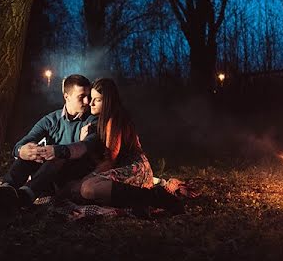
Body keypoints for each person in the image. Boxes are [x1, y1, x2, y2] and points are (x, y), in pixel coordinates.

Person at [43, 77, 184, 215]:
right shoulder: (99, 121)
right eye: (91, 98)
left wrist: (83, 180)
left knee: (87, 188)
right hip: (118, 168)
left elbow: (111, 160)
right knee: (78, 190)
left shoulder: (114, 120)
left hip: (134, 168)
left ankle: (156, 197)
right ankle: (135, 200)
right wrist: (84, 140)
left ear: (108, 102)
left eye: (97, 100)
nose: (90, 103)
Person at [0, 74, 97, 213]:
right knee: (30, 153)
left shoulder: (91, 121)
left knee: (56, 158)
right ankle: (4, 190)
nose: (87, 101)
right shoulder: (51, 120)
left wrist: (58, 151)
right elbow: (21, 144)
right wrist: (23, 150)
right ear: (66, 96)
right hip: (45, 177)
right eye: (82, 97)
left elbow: (86, 146)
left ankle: (23, 197)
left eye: (88, 96)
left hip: (72, 174)